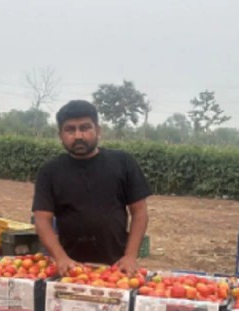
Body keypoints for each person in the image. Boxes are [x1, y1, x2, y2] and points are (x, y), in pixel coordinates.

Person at [32, 99, 151, 276]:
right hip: (70, 268)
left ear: (98, 130)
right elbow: (42, 219)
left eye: (85, 127)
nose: (78, 135)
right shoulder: (50, 171)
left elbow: (140, 212)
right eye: (70, 129)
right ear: (61, 135)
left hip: (116, 267)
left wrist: (130, 256)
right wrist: (61, 258)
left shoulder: (123, 163)